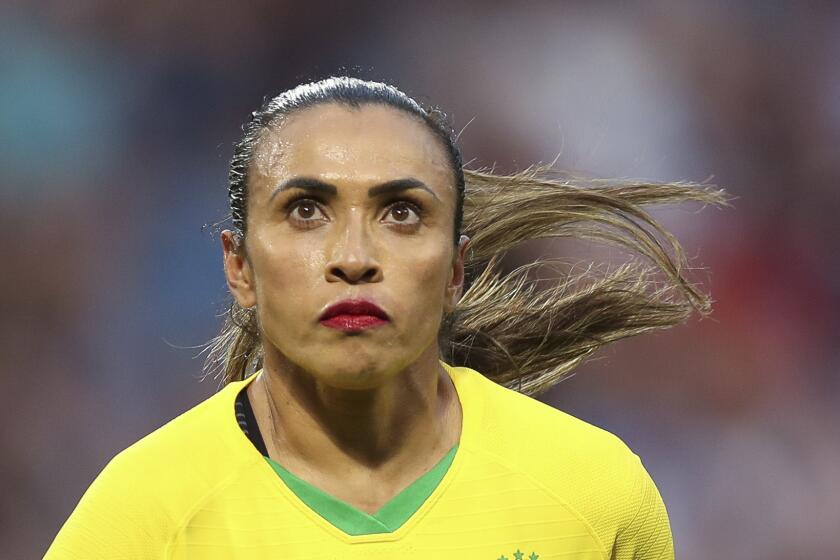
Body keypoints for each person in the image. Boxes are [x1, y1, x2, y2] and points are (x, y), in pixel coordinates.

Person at [44, 76, 729, 559]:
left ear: (456, 269)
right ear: (239, 267)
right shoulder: (144, 515)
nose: (353, 258)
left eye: (402, 213)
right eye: (305, 211)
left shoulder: (594, 493)